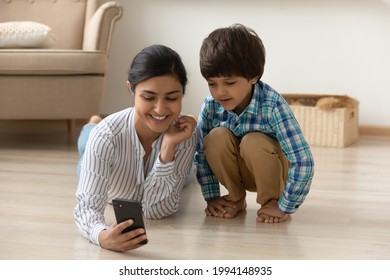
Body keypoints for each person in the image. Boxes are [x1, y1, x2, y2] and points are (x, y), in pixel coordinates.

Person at [74, 44, 198, 252]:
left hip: (166, 172)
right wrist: (102, 236)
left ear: (182, 94)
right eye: (149, 97)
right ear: (131, 89)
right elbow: (86, 207)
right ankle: (91, 125)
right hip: (105, 154)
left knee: (187, 176)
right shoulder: (106, 136)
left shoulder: (184, 135)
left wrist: (168, 147)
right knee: (88, 149)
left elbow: (156, 211)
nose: (160, 108)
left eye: (172, 98)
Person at [194, 23, 314, 224]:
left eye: (229, 83)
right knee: (214, 138)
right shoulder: (210, 106)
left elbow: (303, 161)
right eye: (212, 84)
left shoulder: (273, 105)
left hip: (271, 169)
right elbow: (200, 155)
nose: (219, 92)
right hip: (237, 170)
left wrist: (286, 205)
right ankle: (235, 199)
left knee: (253, 141)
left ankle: (270, 201)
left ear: (253, 77)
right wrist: (212, 197)